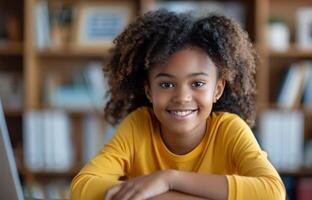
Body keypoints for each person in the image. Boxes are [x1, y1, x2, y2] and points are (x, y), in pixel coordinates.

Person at [70, 10, 285, 200]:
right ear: (149, 90)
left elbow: (273, 192)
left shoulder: (229, 130)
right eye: (166, 84)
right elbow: (82, 188)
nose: (182, 97)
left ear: (217, 90)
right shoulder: (138, 126)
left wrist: (169, 179)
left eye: (198, 83)